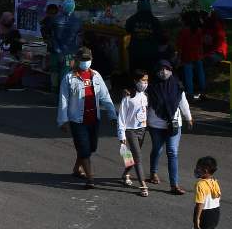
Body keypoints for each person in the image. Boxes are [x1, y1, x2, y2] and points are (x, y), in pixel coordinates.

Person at [57, 46, 117, 188]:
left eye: (87, 59)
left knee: (91, 147)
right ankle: (90, 178)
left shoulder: (96, 75)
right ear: (77, 60)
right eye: (82, 59)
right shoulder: (69, 78)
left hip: (93, 119)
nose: (85, 62)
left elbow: (105, 97)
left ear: (91, 60)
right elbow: (63, 100)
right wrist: (63, 120)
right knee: (84, 148)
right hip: (77, 120)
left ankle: (77, 169)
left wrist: (112, 115)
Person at [146, 59, 193, 195]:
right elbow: (145, 104)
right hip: (156, 125)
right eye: (161, 69)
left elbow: (182, 101)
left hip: (174, 123)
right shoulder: (151, 87)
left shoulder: (177, 85)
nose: (164, 71)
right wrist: (144, 121)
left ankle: (174, 185)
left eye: (166, 68)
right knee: (157, 149)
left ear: (171, 70)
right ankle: (153, 173)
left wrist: (188, 117)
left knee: (172, 152)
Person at [117, 69, 150, 197]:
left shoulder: (145, 96)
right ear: (136, 81)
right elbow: (122, 117)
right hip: (130, 130)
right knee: (138, 157)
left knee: (132, 156)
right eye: (143, 80)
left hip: (142, 129)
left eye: (147, 80)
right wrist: (122, 134)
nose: (145, 83)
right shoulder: (128, 96)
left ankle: (125, 173)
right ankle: (143, 185)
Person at [192, 156, 222, 229]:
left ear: (204, 170)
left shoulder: (200, 184)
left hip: (205, 214)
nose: (195, 170)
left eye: (197, 168)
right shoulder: (214, 182)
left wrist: (197, 219)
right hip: (215, 213)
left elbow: (200, 203)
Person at [125, 0, 163, 73]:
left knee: (136, 76)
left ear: (138, 6)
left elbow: (126, 31)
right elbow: (160, 36)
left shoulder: (131, 20)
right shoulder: (155, 21)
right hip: (151, 53)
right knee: (151, 75)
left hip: (136, 53)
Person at [176, 11, 205, 99]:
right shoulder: (199, 30)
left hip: (187, 56)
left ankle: (190, 92)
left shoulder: (183, 32)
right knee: (200, 73)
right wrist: (201, 54)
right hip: (197, 55)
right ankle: (203, 90)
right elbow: (201, 44)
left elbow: (180, 47)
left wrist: (178, 58)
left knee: (188, 75)